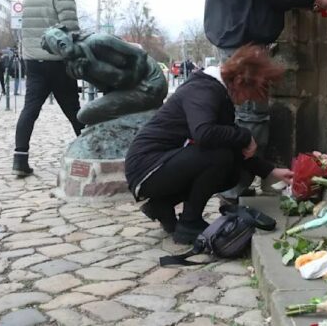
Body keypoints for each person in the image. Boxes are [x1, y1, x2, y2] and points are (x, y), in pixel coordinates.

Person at [204, 0, 327, 201]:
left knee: (245, 116)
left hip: (236, 37)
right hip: (243, 42)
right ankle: (235, 190)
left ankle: (239, 184)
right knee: (252, 117)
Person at [125, 45, 294, 244]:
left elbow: (232, 147)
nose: (248, 100)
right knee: (219, 157)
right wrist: (245, 135)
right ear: (239, 81)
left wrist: (271, 171)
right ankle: (190, 224)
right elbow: (204, 133)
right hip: (147, 167)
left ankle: (161, 205)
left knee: (230, 170)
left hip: (160, 165)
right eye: (250, 94)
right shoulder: (203, 90)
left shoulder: (217, 92)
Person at [13, 0, 84, 177]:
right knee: (74, 110)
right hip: (57, 62)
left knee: (30, 110)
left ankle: (20, 159)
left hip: (33, 61)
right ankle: (89, 153)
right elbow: (70, 30)